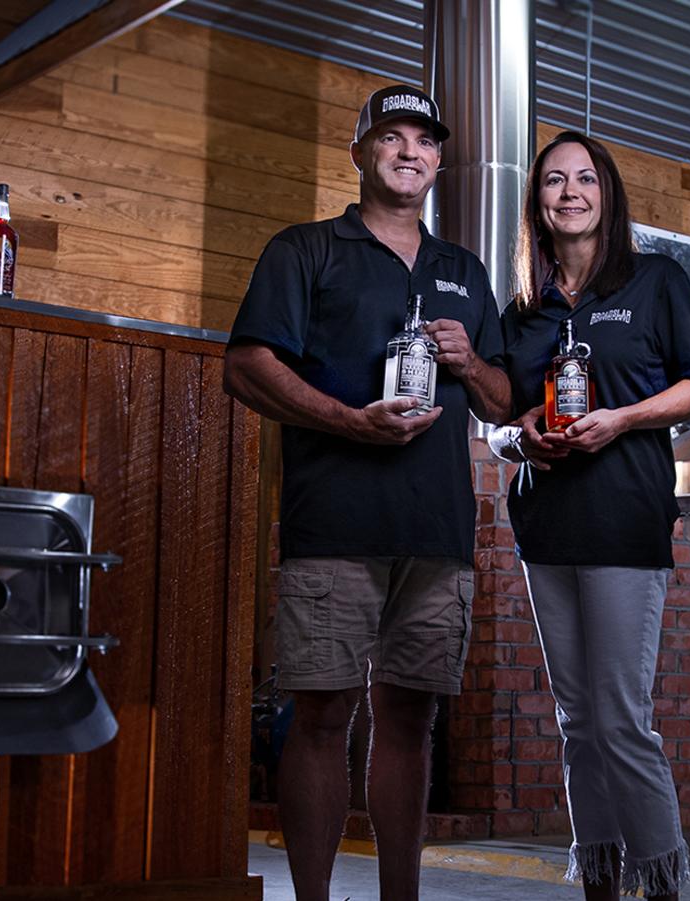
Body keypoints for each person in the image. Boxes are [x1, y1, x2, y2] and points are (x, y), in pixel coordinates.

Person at [223, 84, 511, 901]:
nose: (410, 151)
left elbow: (499, 402)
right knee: (320, 718)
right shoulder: (306, 250)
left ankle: (400, 898)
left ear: (439, 161)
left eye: (424, 140)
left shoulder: (464, 271)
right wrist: (352, 422)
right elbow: (245, 365)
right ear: (361, 152)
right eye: (392, 137)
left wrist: (468, 362)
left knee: (412, 725)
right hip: (335, 525)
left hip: (437, 533)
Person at [488, 131, 690, 901]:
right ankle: (596, 881)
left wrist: (622, 419)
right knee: (577, 724)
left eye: (584, 179)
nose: (569, 192)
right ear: (538, 202)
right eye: (554, 181)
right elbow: (493, 417)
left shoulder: (654, 282)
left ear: (608, 193)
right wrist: (512, 438)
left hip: (625, 526)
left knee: (622, 720)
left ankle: (659, 883)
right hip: (546, 532)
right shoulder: (523, 309)